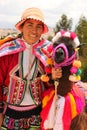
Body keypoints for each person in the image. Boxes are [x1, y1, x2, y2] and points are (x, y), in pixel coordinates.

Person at [0, 7, 62, 130]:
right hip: (9, 114)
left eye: (39, 26)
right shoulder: (7, 52)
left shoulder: (48, 53)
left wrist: (53, 78)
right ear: (21, 27)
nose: (34, 30)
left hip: (37, 115)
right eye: (30, 25)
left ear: (43, 30)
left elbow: (50, 87)